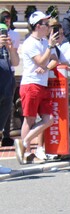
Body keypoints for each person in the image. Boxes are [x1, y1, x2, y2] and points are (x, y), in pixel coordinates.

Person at [18, 11, 59, 164]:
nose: (49, 27)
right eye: (46, 24)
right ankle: (27, 153)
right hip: (31, 84)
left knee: (49, 120)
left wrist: (47, 67)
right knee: (29, 119)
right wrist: (49, 48)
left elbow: (54, 60)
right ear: (38, 26)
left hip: (42, 84)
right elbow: (41, 61)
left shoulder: (44, 42)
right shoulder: (30, 43)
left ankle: (25, 141)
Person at [1, 8, 20, 148]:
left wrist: (11, 48)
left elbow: (15, 63)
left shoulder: (11, 37)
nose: (6, 20)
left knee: (5, 115)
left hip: (7, 82)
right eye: (3, 18)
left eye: (8, 17)